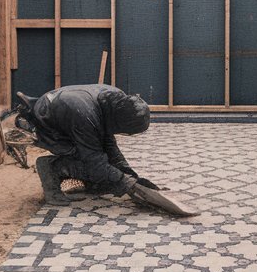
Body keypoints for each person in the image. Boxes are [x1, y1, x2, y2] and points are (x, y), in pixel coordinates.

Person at [15, 84, 159, 205]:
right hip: (49, 124)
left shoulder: (116, 99)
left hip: (68, 110)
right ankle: (51, 167)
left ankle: (94, 184)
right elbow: (94, 162)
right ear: (120, 123)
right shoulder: (85, 116)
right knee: (91, 163)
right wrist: (126, 183)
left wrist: (131, 176)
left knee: (103, 160)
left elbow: (109, 145)